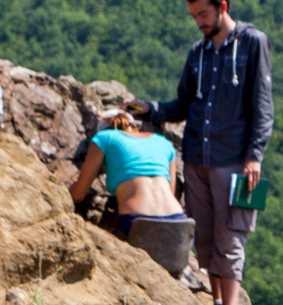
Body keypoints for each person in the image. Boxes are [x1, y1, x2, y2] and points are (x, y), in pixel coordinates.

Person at [149, 0, 272, 305]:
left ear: (223, 7)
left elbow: (262, 106)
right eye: (193, 16)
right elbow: (183, 104)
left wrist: (255, 155)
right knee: (204, 236)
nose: (199, 22)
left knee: (231, 234)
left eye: (203, 14)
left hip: (235, 159)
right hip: (198, 156)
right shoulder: (198, 53)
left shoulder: (252, 43)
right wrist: (149, 110)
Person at [68, 106, 193, 279]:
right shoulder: (163, 142)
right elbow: (171, 194)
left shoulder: (104, 139)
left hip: (138, 227)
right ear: (135, 127)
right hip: (178, 229)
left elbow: (78, 194)